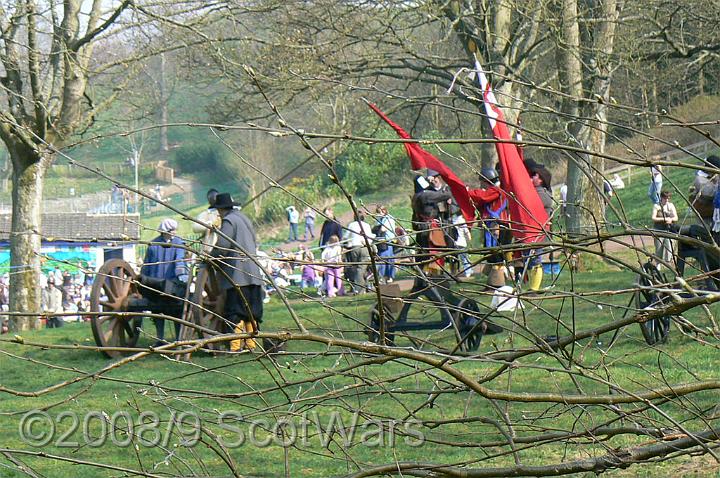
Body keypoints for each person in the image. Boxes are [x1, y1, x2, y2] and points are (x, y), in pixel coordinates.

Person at [211, 193, 265, 352]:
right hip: (253, 275)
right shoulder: (244, 219)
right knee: (252, 312)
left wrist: (211, 257)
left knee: (235, 311)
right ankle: (251, 345)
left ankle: (235, 347)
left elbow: (223, 245)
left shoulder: (228, 221)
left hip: (237, 275)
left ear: (220, 209)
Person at [141, 218, 188, 346]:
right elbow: (147, 264)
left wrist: (182, 275)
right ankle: (160, 339)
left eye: (174, 230)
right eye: (172, 230)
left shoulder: (179, 243)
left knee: (177, 312)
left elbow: (180, 260)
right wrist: (143, 279)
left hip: (173, 284)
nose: (174, 232)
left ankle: (179, 339)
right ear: (165, 231)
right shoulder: (153, 245)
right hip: (156, 284)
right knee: (157, 312)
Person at [343, 212, 375, 293]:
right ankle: (363, 288)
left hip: (355, 248)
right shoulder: (367, 225)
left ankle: (361, 289)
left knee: (358, 268)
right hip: (365, 247)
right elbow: (370, 236)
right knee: (362, 268)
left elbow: (346, 237)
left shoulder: (352, 225)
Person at [651, 191, 678, 266]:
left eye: (668, 198)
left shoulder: (671, 206)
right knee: (659, 248)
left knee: (669, 247)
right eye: (665, 198)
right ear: (661, 198)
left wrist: (671, 220)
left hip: (668, 230)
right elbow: (653, 218)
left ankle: (668, 264)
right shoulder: (657, 206)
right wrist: (663, 219)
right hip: (658, 230)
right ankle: (658, 264)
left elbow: (676, 217)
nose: (666, 200)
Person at [192, 188, 221, 253]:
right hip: (209, 249)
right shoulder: (205, 214)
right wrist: (210, 225)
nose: (214, 199)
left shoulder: (224, 212)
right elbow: (195, 228)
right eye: (212, 198)